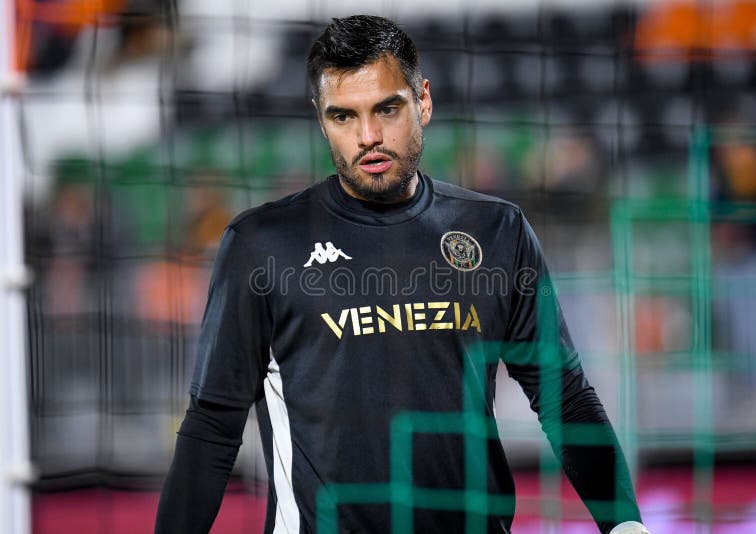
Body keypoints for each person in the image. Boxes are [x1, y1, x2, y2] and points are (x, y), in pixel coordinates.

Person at [155, 15, 650, 534]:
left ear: (424, 102)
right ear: (321, 120)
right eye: (343, 117)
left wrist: (624, 525)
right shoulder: (261, 245)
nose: (368, 136)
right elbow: (212, 423)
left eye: (386, 109)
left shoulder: (497, 230)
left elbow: (562, 393)